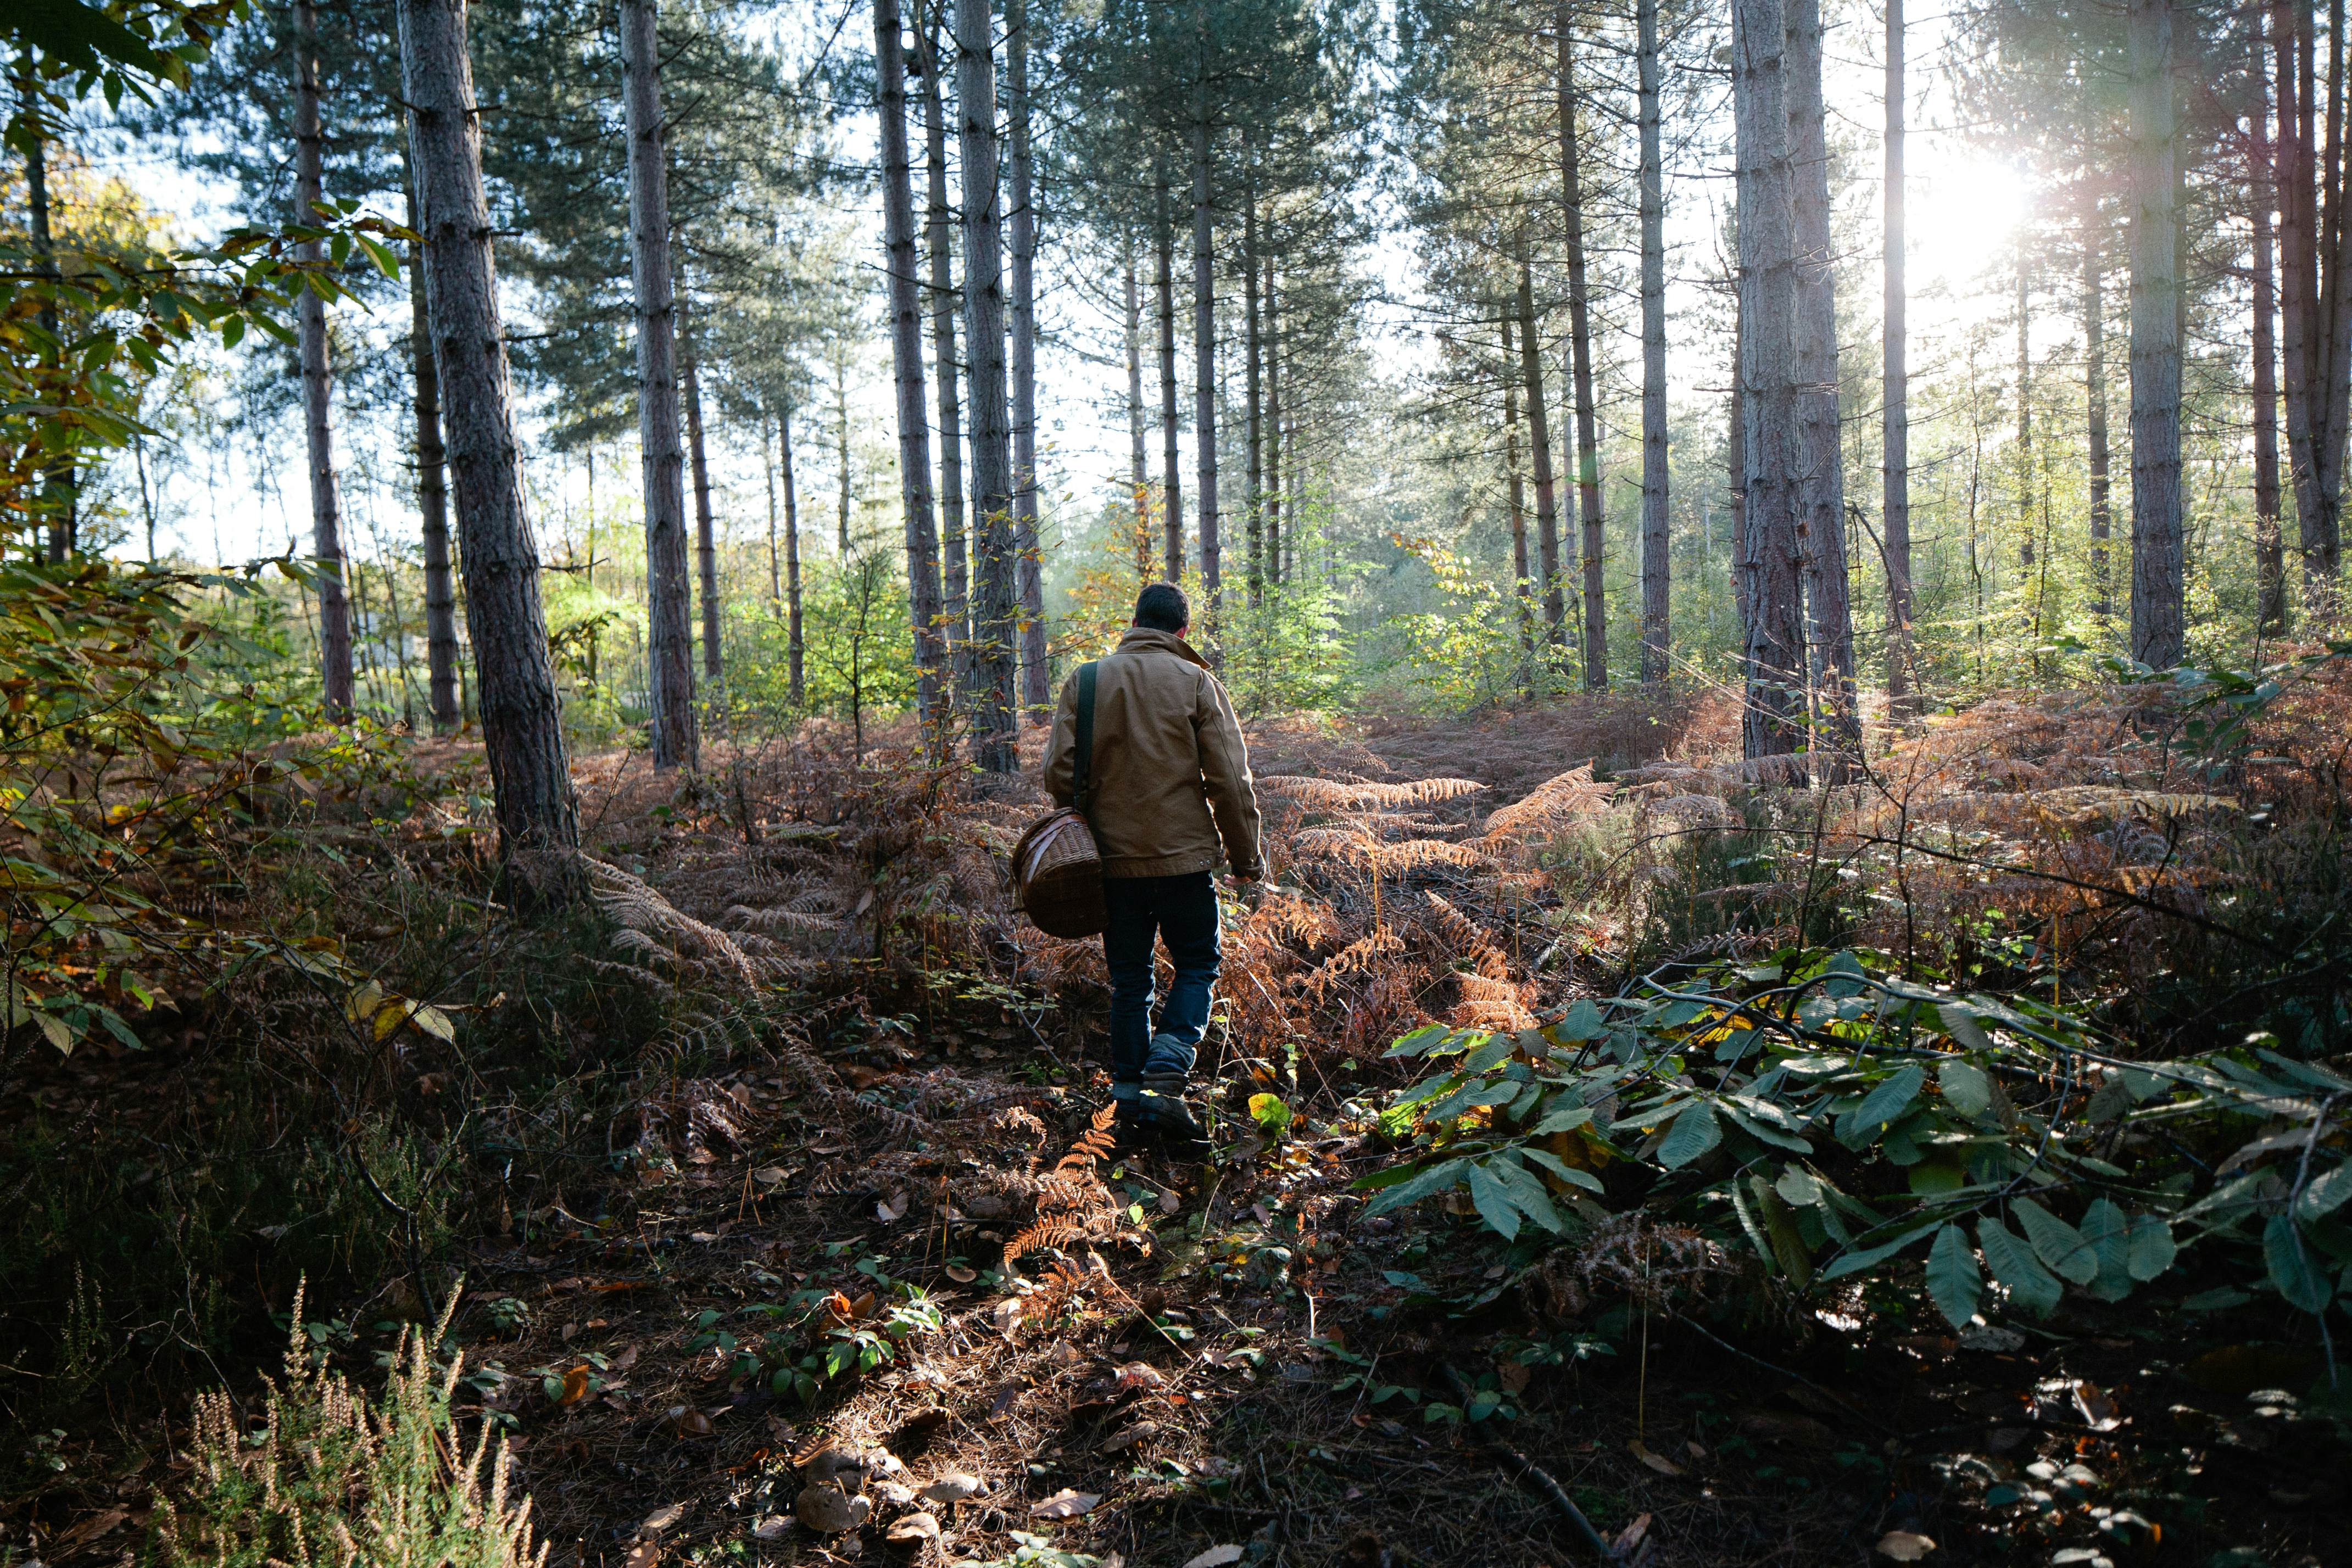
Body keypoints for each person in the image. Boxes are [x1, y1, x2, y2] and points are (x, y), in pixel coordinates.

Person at [1043, 582, 1262, 1146]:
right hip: (1185, 862)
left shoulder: (1086, 680)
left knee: (1129, 981)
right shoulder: (1196, 682)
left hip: (1110, 864)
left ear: (1135, 622)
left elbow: (1058, 776)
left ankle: (1126, 1099)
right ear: (1181, 631)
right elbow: (1231, 785)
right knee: (1195, 966)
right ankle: (1166, 1072)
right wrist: (1247, 861)